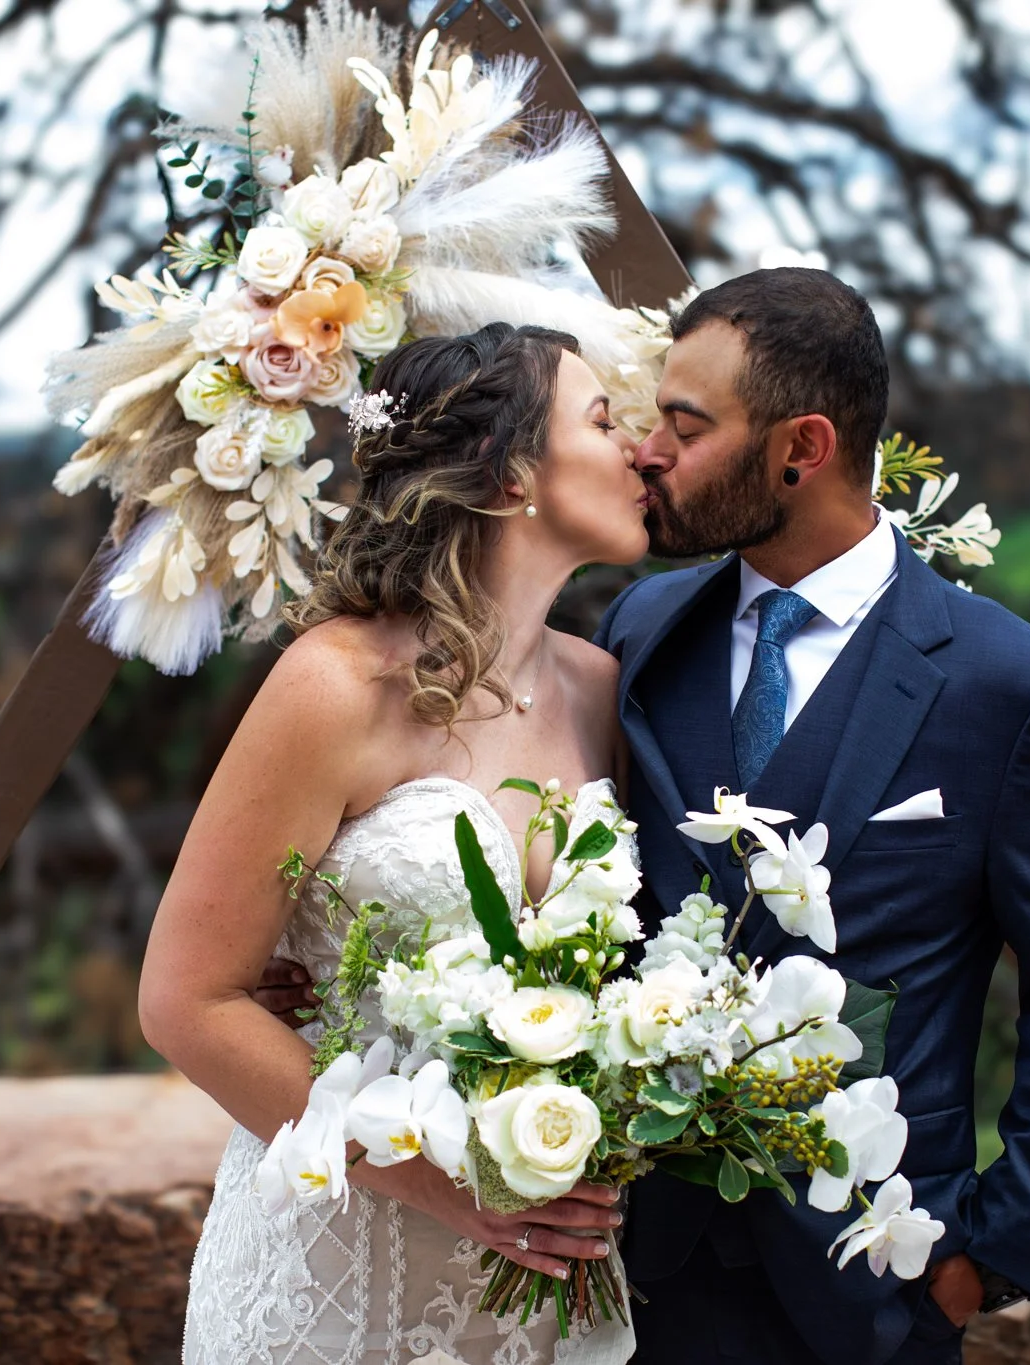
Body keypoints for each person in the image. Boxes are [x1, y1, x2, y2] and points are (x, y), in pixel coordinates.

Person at [594, 267, 1030, 1365]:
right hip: (629, 1270)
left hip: (869, 1291)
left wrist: (985, 1255)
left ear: (801, 449)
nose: (647, 450)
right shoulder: (638, 630)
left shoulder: (1008, 688)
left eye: (685, 427)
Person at [140, 322, 648, 1365]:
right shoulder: (335, 685)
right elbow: (186, 1000)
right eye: (601, 421)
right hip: (335, 1268)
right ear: (512, 474)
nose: (638, 448)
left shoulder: (601, 690)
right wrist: (441, 1185)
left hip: (541, 1287)